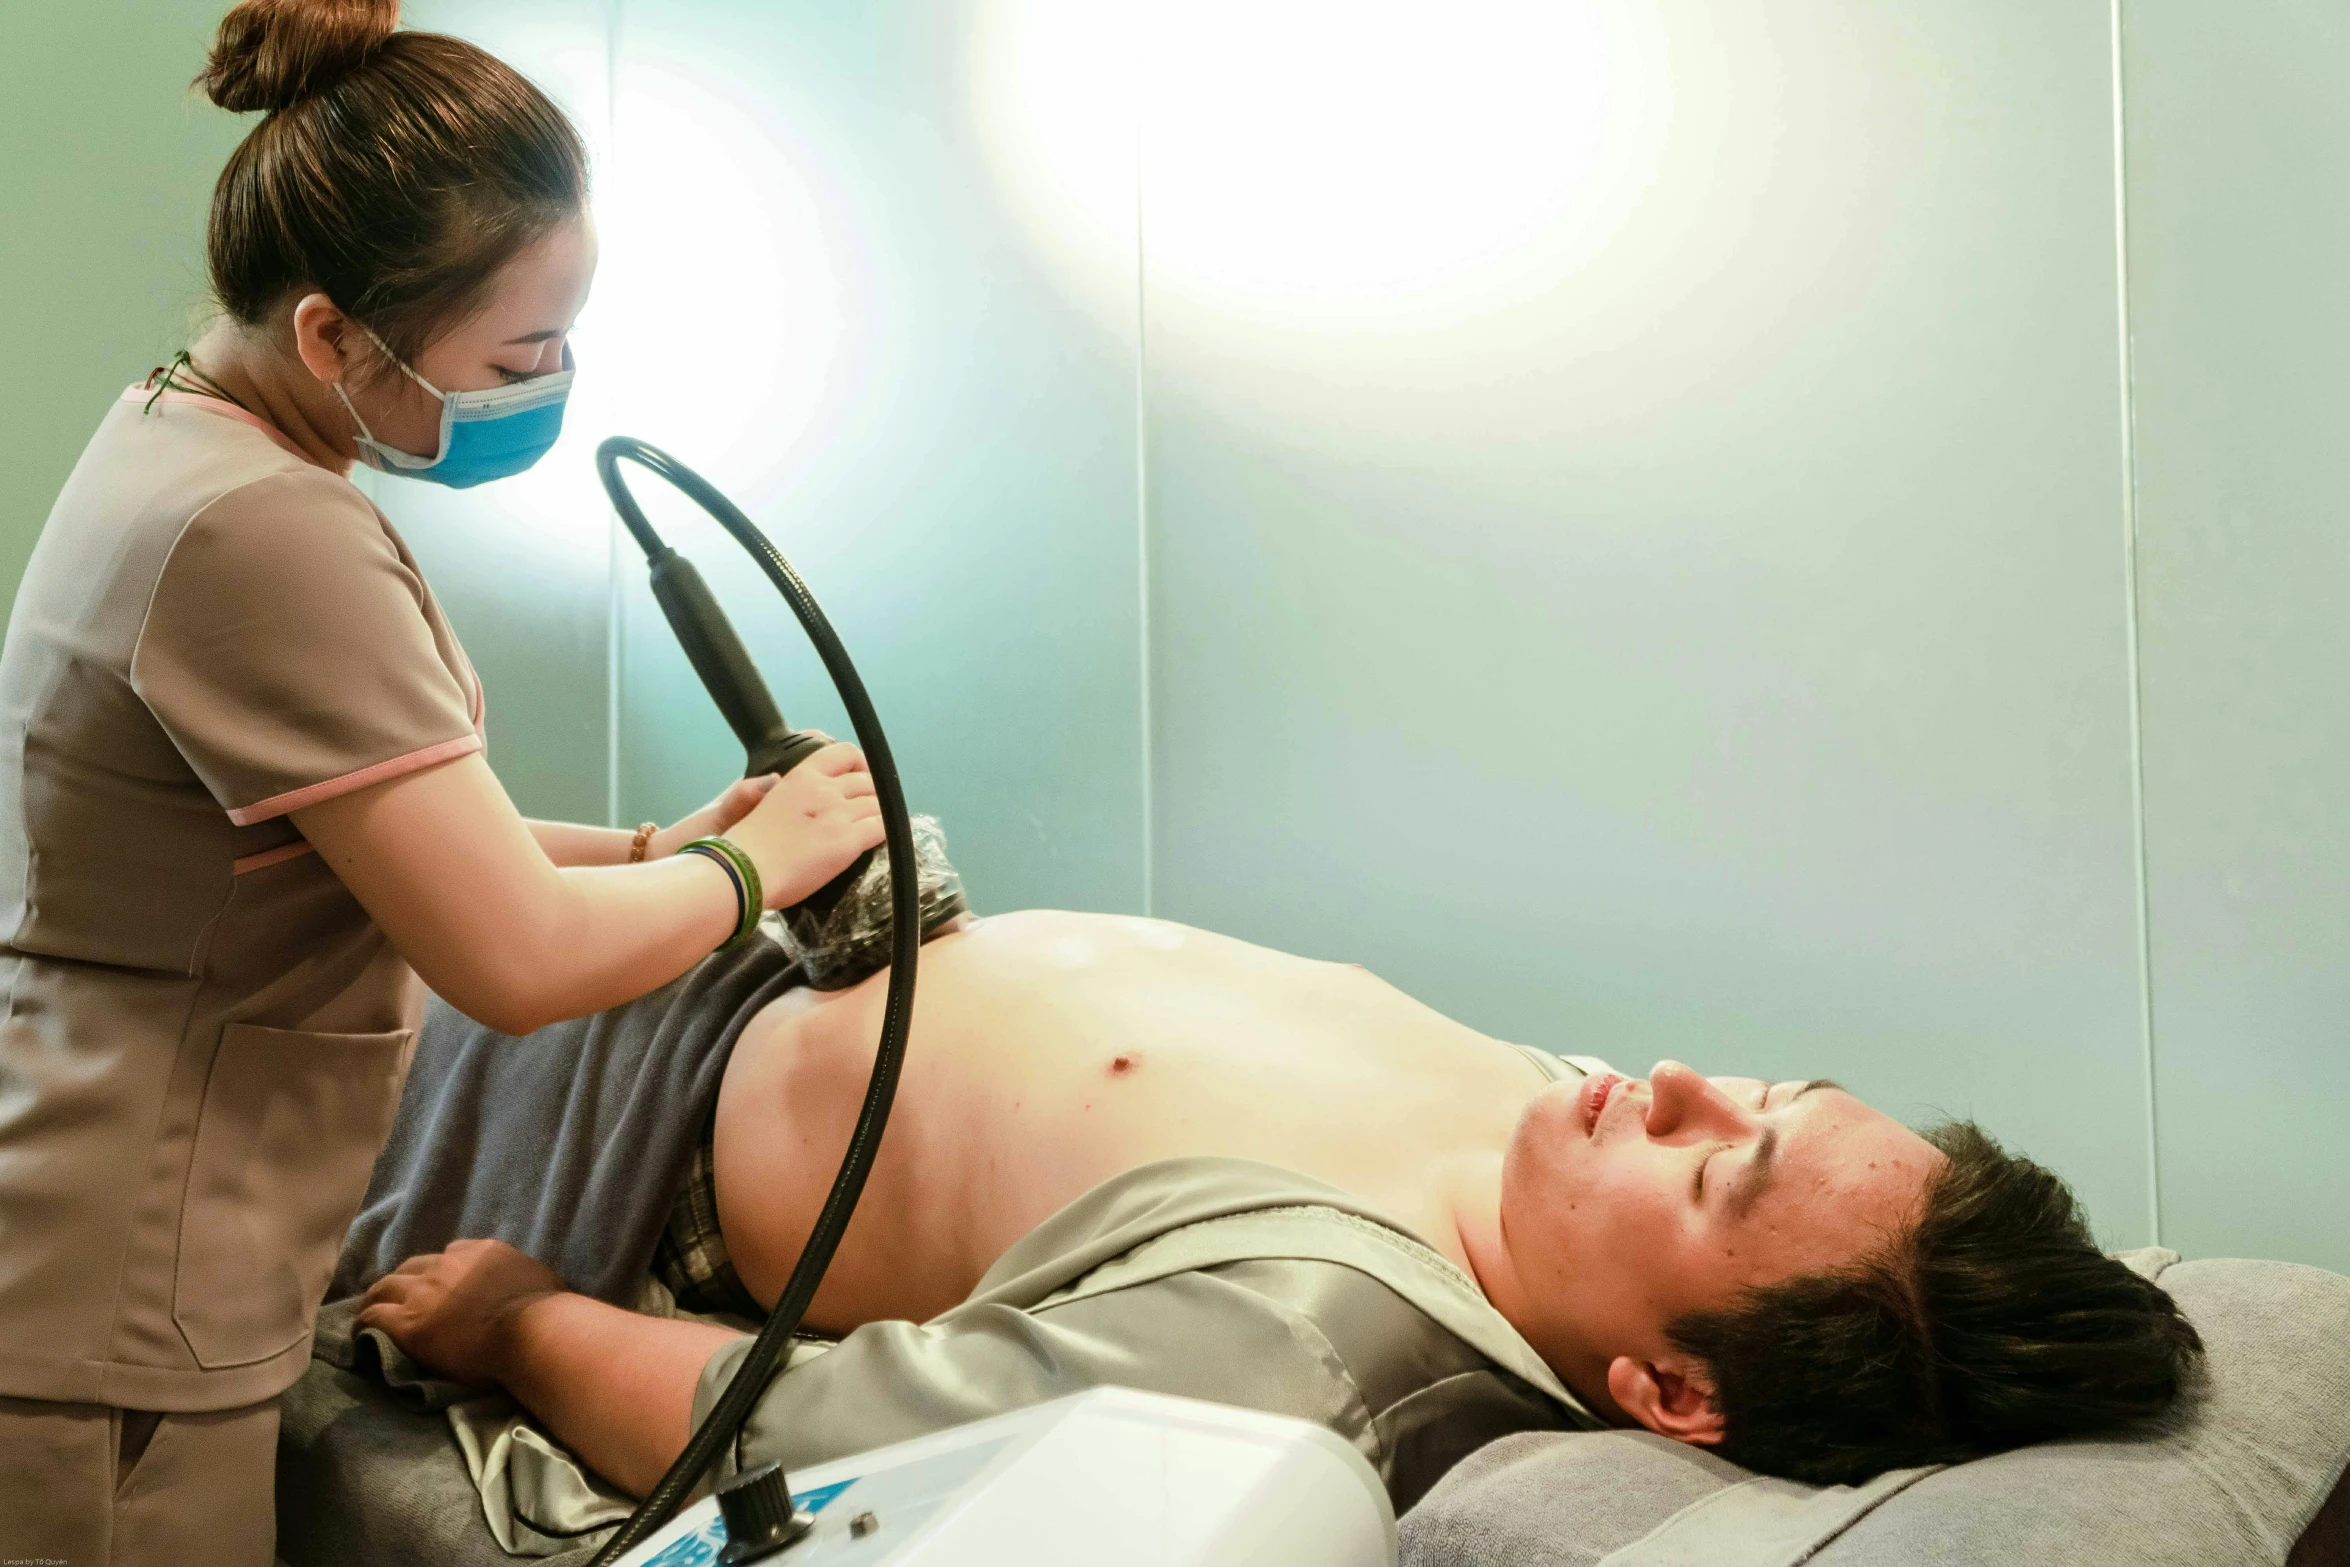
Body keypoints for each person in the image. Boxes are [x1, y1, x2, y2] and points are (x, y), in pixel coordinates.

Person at [0, 4, 880, 1562]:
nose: (549, 381)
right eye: (518, 353)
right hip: (109, 1306)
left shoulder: (184, 442)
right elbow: (517, 957)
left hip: (106, 1252)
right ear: (336, 333)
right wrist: (755, 871)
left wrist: (647, 848)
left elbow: (347, 823)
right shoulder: (266, 530)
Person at [350, 907, 2203, 1518]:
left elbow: (811, 1429)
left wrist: (518, 1320)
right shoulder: (1562, 1158)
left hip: (583, 1128)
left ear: (1671, 1393)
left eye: (1714, 1165)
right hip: (738, 944)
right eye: (1758, 1088)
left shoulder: (1319, 1346)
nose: (1676, 1089)